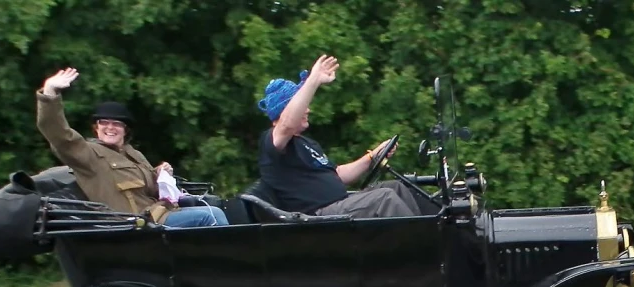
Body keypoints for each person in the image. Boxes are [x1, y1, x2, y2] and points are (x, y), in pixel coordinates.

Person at [35, 67, 228, 227]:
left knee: (217, 205)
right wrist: (50, 93)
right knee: (211, 215)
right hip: (135, 224)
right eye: (104, 123)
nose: (110, 128)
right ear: (97, 127)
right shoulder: (88, 153)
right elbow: (59, 134)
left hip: (159, 213)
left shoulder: (133, 154)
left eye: (116, 124)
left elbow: (150, 189)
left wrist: (160, 173)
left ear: (125, 129)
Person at [256, 54, 422, 218]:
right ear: (285, 111)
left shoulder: (307, 143)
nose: (308, 110)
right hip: (317, 218)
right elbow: (286, 125)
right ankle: (421, 244)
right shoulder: (271, 141)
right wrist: (313, 80)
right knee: (384, 199)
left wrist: (372, 156)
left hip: (340, 204)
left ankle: (429, 236)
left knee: (396, 188)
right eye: (303, 106)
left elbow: (338, 174)